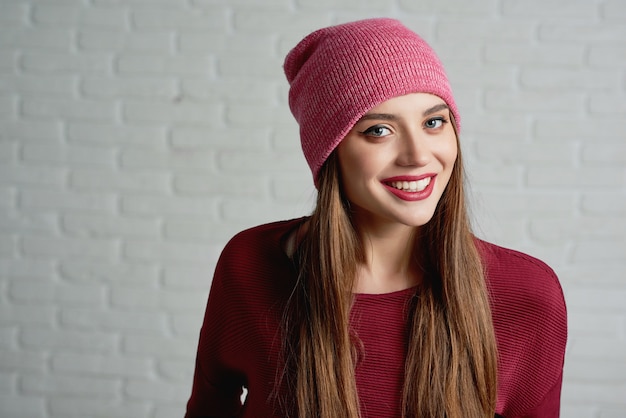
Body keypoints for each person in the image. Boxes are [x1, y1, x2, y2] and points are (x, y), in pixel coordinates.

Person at [185, 18, 567, 418]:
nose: (418, 155)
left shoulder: (527, 295)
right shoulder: (250, 266)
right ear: (328, 152)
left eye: (433, 122)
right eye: (379, 130)